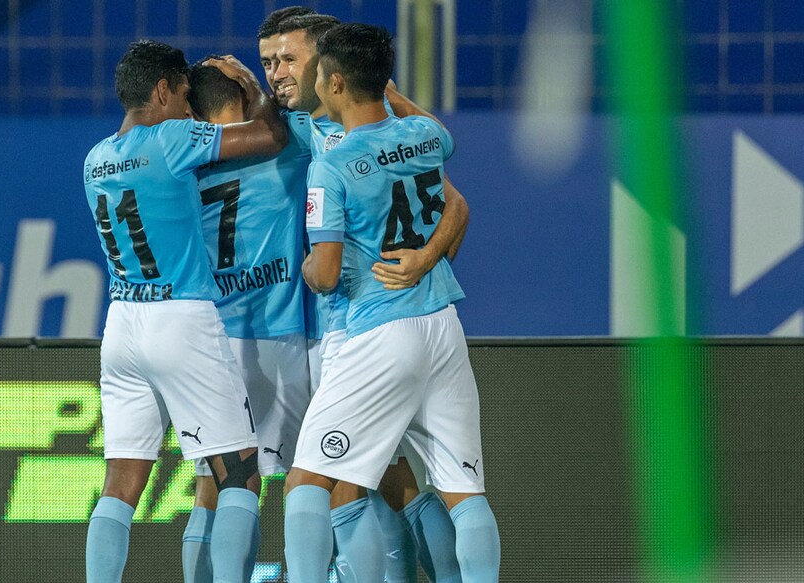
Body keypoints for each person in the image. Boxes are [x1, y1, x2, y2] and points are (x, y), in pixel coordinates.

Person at [285, 23, 501, 583]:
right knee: (465, 490)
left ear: (333, 83)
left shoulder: (329, 167)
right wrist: (384, 87)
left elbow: (327, 275)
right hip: (442, 325)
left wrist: (305, 268)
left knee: (306, 481)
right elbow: (433, 133)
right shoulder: (427, 137)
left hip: (381, 328)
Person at [81, 39, 288, 583]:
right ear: (162, 90)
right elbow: (269, 137)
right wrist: (250, 88)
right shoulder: (172, 138)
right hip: (181, 319)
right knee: (240, 475)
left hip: (122, 323)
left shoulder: (96, 158)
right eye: (184, 94)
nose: (189, 106)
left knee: (122, 481)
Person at [179, 60, 315, 583]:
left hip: (211, 343)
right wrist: (262, 92)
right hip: (277, 337)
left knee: (213, 486)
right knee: (317, 479)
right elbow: (295, 123)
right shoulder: (286, 145)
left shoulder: (182, 159)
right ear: (241, 99)